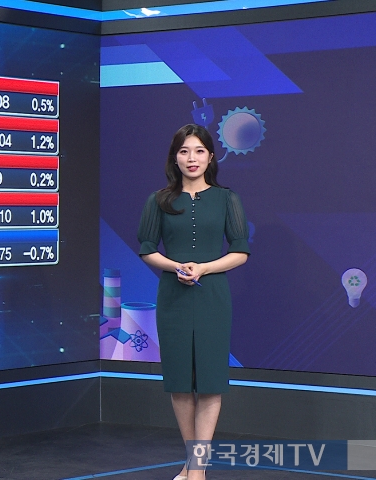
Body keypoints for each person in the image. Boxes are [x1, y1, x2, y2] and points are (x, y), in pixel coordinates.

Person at [137, 124, 250, 480]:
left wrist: (204, 268)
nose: (192, 158)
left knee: (211, 383)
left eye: (199, 151)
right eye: (184, 151)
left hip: (213, 297)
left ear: (211, 157)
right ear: (175, 157)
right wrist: (177, 267)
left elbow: (240, 250)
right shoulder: (159, 200)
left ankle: (195, 470)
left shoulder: (227, 199)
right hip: (174, 298)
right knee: (181, 384)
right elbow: (146, 248)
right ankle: (193, 464)